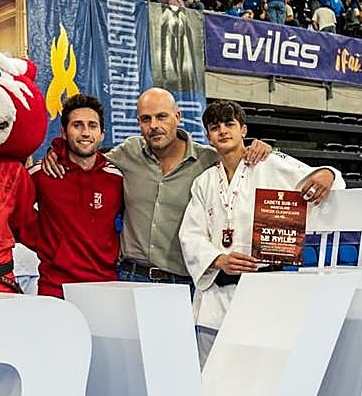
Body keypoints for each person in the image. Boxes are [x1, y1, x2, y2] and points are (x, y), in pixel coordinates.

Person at [40, 89, 272, 287]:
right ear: (138, 123)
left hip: (183, 282)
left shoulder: (208, 160)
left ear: (177, 117)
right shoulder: (127, 153)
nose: (154, 126)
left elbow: (247, 163)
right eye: (146, 119)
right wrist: (57, 151)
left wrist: (263, 148)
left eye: (162, 117)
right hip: (130, 277)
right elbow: (86, 158)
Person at [179, 100, 342, 366]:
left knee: (258, 374)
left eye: (229, 124)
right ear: (207, 136)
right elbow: (191, 234)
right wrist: (218, 259)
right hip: (215, 297)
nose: (222, 131)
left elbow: (324, 179)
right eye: (214, 127)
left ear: (243, 130)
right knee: (209, 377)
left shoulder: (270, 164)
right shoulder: (204, 182)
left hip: (262, 292)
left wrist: (328, 173)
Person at [24, 94, 122, 396]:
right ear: (63, 131)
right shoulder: (41, 175)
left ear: (102, 132)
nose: (85, 132)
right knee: (56, 379)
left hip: (105, 294)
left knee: (96, 382)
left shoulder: (117, 175)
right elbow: (15, 221)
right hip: (56, 293)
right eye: (77, 125)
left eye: (92, 126)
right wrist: (47, 248)